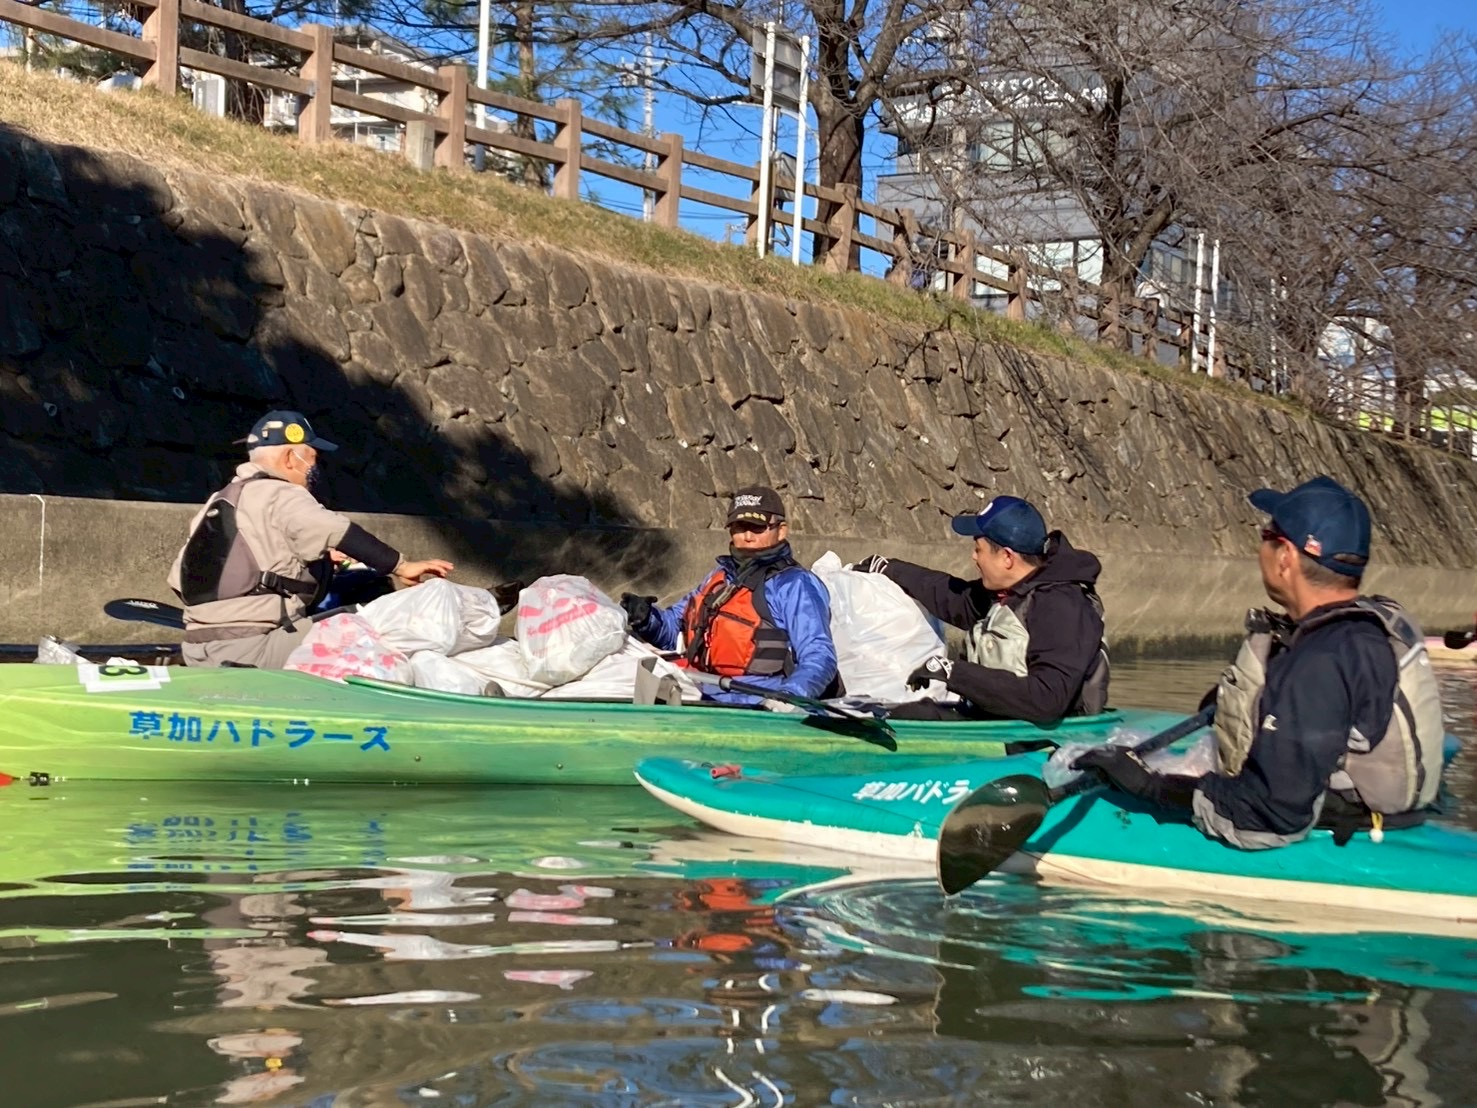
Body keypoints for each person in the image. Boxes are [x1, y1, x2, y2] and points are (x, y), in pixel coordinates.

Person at [1076, 475, 1446, 849]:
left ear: (1285, 557)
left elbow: (1267, 816)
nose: (1261, 547)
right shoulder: (1360, 631)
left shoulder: (1320, 659)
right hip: (1388, 818)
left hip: (1340, 834)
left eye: (1266, 536)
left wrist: (1150, 786)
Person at [168, 410, 454, 669]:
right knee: (379, 626)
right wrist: (402, 566)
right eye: (313, 458)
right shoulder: (281, 493)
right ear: (291, 458)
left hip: (198, 650)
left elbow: (185, 577)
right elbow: (334, 529)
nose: (314, 468)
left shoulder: (219, 500)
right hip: (256, 650)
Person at [853, 495, 1108, 724]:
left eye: (978, 549)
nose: (974, 557)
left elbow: (1048, 700)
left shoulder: (1061, 606)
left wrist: (954, 672)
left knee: (916, 719)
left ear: (1007, 558)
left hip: (1042, 738)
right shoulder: (1010, 592)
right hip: (999, 720)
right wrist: (889, 568)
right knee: (903, 714)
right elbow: (952, 596)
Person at [622, 486, 839, 705]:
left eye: (757, 528)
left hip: (762, 705)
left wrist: (790, 696)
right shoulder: (719, 578)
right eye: (740, 527)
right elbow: (672, 632)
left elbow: (819, 656)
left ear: (781, 530)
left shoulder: (795, 584)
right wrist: (647, 619)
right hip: (703, 696)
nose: (747, 536)